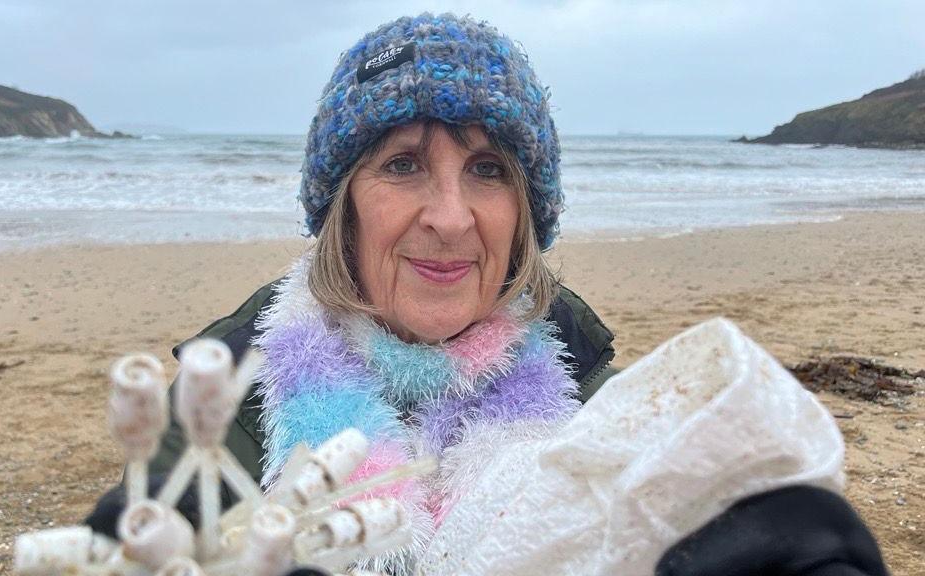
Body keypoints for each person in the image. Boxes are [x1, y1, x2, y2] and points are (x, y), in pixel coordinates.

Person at [88, 13, 888, 576]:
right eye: (402, 164)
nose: (449, 217)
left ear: (525, 215)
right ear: (343, 206)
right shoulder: (223, 400)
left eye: (488, 170)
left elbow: (648, 503)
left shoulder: (584, 389)